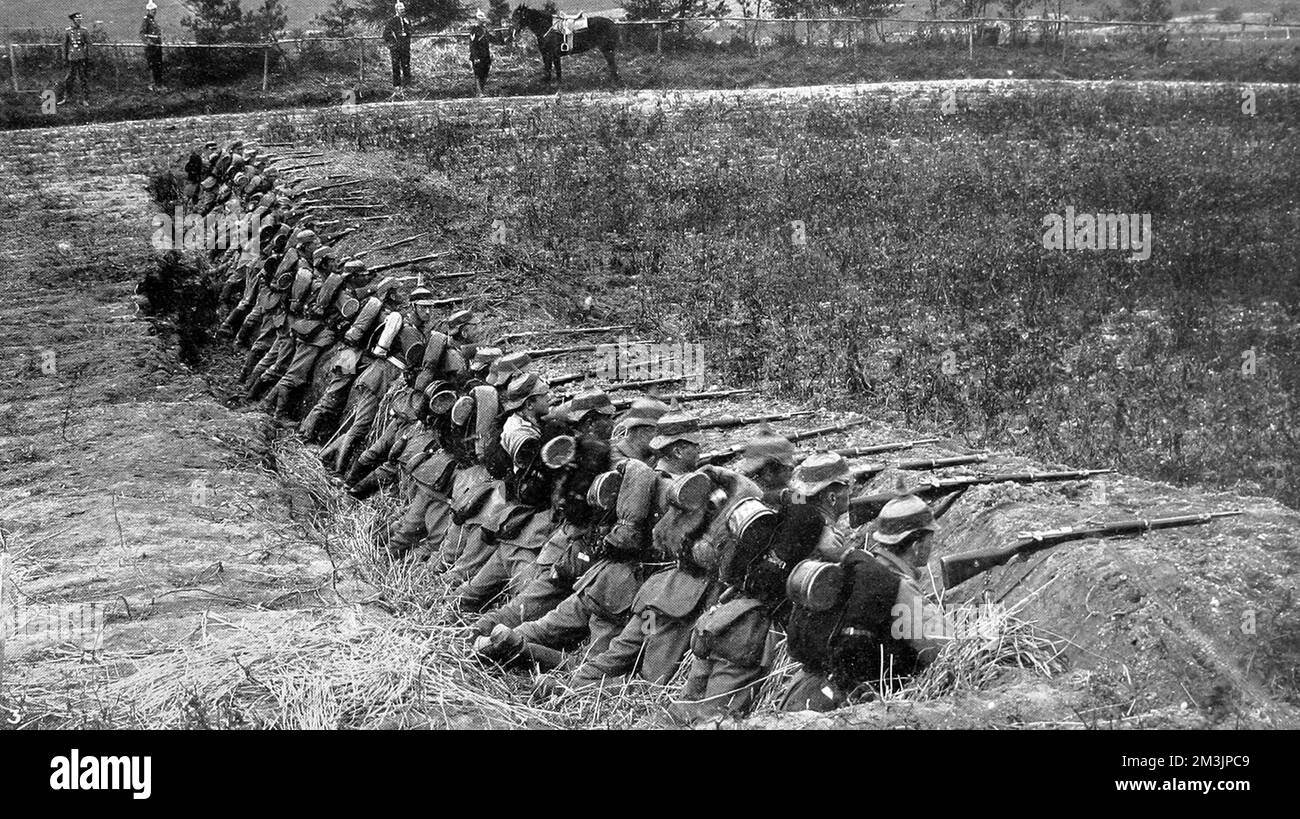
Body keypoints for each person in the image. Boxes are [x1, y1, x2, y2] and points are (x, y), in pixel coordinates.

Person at [780, 489, 955, 712]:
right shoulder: (896, 587)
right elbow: (944, 649)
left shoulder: (857, 569)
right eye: (930, 538)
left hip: (804, 691)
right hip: (846, 705)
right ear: (916, 546)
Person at [60, 13, 92, 107]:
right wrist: (64, 58)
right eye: (77, 19)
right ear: (73, 20)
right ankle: (67, 98)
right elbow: (64, 45)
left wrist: (88, 56)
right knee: (68, 79)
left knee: (83, 78)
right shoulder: (68, 31)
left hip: (81, 58)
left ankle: (85, 99)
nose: (79, 20)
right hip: (71, 58)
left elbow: (89, 44)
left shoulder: (84, 31)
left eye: (80, 19)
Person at [382, 2, 414, 93]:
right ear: (397, 10)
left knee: (406, 65)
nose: (403, 11)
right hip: (396, 48)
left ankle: (407, 85)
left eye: (403, 9)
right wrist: (393, 45)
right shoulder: (392, 21)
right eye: (401, 9)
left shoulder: (407, 20)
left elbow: (410, 32)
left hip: (405, 47)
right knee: (395, 66)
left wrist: (407, 26)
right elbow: (386, 34)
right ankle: (397, 85)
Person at [141, 1, 164, 92]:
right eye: (152, 10)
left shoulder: (153, 21)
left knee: (158, 66)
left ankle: (158, 85)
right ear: (148, 11)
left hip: (157, 47)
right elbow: (142, 33)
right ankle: (152, 85)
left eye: (155, 10)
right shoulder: (146, 20)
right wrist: (148, 41)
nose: (154, 12)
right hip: (151, 48)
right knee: (152, 65)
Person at [469, 9, 492, 97]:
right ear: (478, 20)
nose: (482, 21)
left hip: (486, 55)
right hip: (478, 56)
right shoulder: (474, 30)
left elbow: (491, 39)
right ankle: (479, 93)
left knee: (485, 73)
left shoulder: (485, 30)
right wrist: (475, 57)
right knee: (478, 74)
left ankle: (482, 91)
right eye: (481, 20)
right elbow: (472, 44)